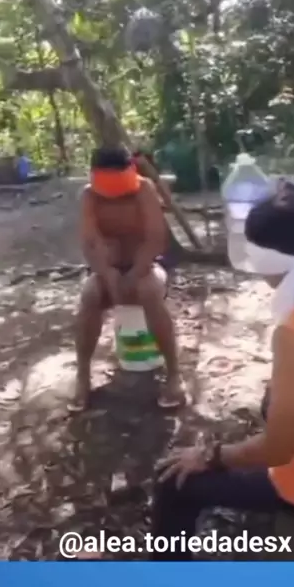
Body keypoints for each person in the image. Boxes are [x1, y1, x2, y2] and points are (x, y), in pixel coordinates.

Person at [151, 181, 294, 559]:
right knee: (271, 400)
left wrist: (210, 455)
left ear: (265, 261)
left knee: (173, 484)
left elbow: (279, 448)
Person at [70, 145, 185, 412]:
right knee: (90, 295)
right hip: (106, 269)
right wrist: (108, 273)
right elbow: (89, 244)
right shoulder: (88, 196)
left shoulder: (144, 189)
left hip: (146, 268)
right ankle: (83, 375)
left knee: (148, 292)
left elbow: (156, 239)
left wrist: (134, 273)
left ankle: (174, 374)